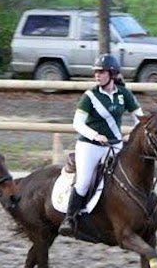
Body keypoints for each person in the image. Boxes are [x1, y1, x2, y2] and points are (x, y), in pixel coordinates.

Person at [58, 53, 144, 237]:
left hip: (115, 145)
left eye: (101, 72)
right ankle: (69, 219)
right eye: (96, 72)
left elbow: (140, 119)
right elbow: (77, 123)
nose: (97, 75)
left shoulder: (124, 94)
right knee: (83, 182)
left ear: (112, 74)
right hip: (89, 146)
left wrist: (132, 135)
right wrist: (95, 135)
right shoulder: (90, 96)